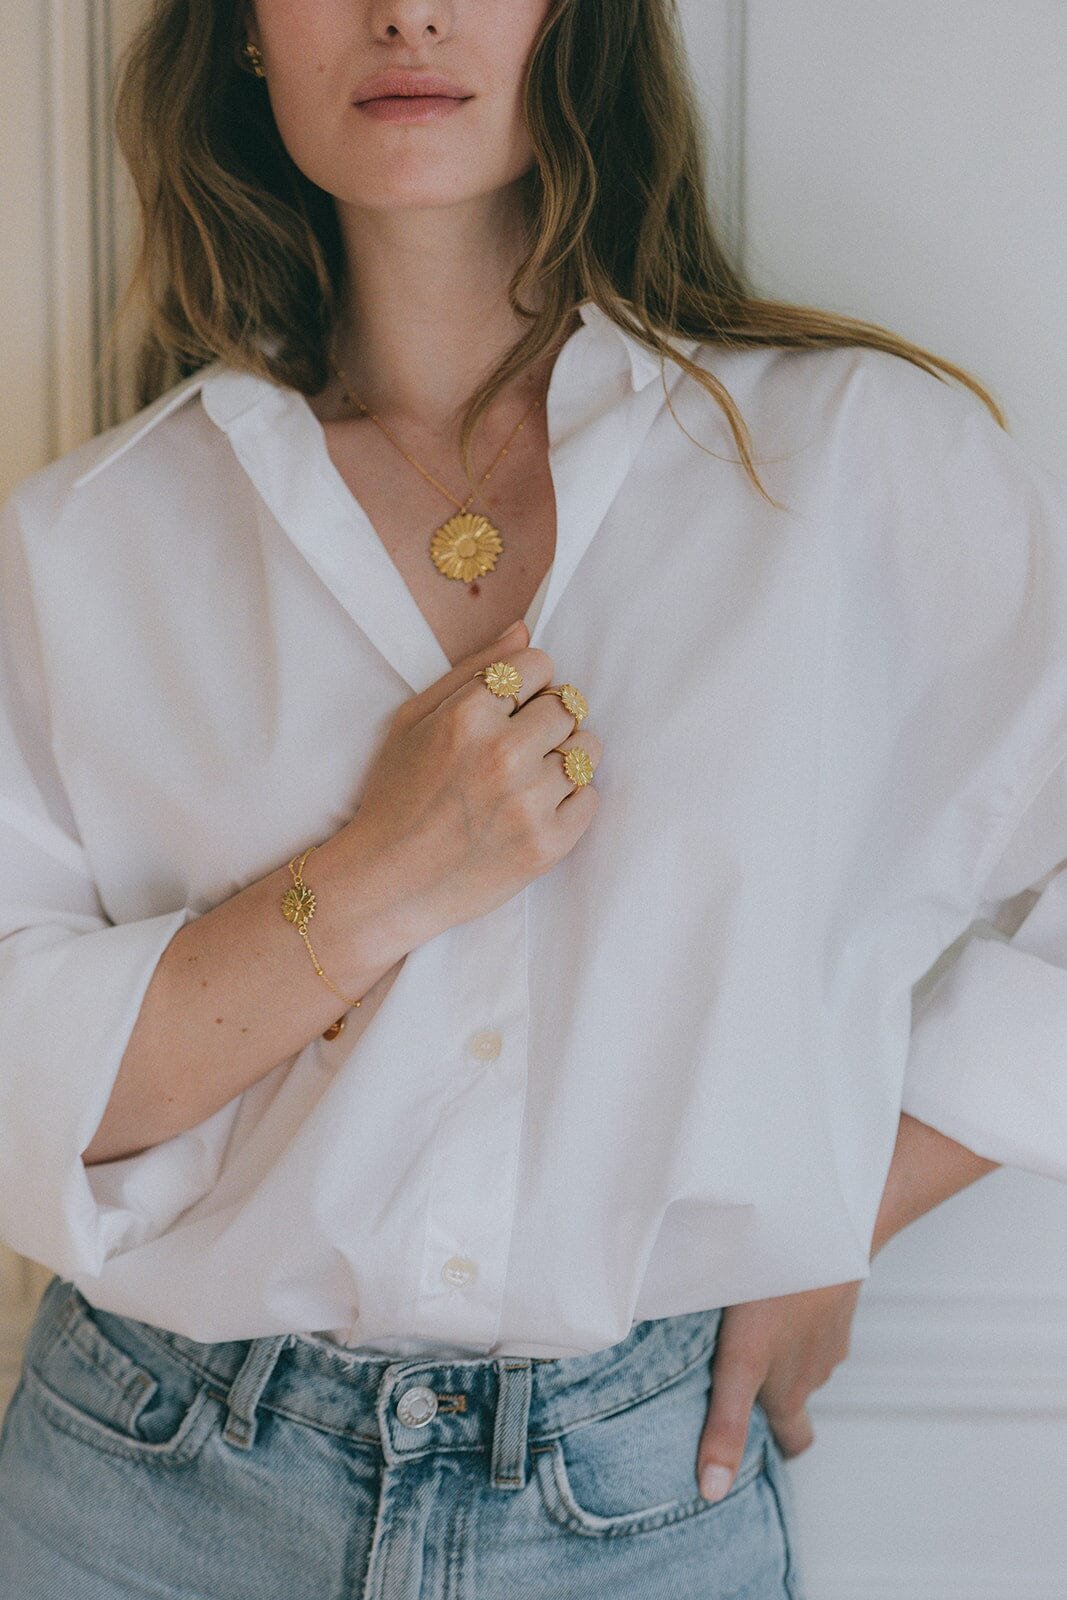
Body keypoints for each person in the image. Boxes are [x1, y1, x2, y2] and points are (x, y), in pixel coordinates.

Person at [0, 1, 1065, 1595]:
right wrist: (378, 879)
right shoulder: (92, 542)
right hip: (149, 1493)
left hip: (641, 1495)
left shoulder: (856, 464)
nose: (407, 12)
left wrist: (854, 1206)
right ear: (238, 32)